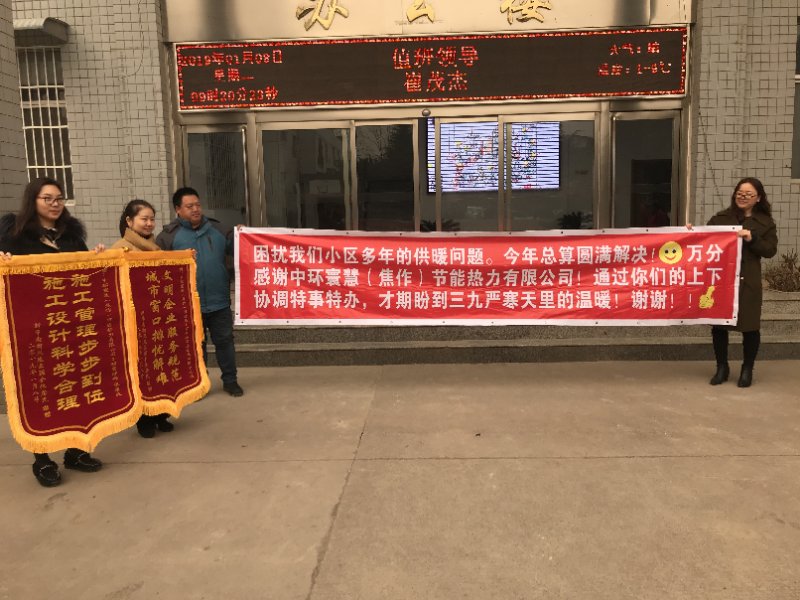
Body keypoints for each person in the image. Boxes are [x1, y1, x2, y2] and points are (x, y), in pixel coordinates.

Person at [0, 177, 104, 487]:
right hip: (33, 333)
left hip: (71, 329)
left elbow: (85, 276)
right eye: (47, 198)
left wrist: (98, 259)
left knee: (76, 391)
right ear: (32, 201)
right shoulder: (14, 238)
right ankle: (42, 458)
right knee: (39, 395)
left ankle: (76, 451)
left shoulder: (71, 237)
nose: (55, 204)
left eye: (59, 198)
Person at [156, 187, 244, 397]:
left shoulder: (219, 229)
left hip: (219, 300)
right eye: (189, 206)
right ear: (178, 210)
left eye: (197, 205)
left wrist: (243, 235)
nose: (195, 209)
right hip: (188, 303)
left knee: (225, 342)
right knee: (195, 346)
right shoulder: (167, 237)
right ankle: (200, 384)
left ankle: (230, 381)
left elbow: (242, 249)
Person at [112, 199, 175, 437]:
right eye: (144, 219)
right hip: (134, 321)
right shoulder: (120, 249)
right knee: (140, 372)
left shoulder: (155, 248)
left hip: (156, 319)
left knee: (159, 367)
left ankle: (160, 414)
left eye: (151, 219)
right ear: (129, 221)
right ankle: (144, 419)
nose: (149, 223)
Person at [707, 177, 778, 387]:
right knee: (719, 326)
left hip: (749, 280)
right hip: (723, 279)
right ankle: (722, 367)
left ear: (758, 198)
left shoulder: (765, 223)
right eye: (739, 193)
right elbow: (704, 238)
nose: (743, 197)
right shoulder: (721, 218)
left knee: (750, 326)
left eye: (748, 194)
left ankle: (747, 369)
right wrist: (689, 232)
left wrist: (752, 239)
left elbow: (770, 250)